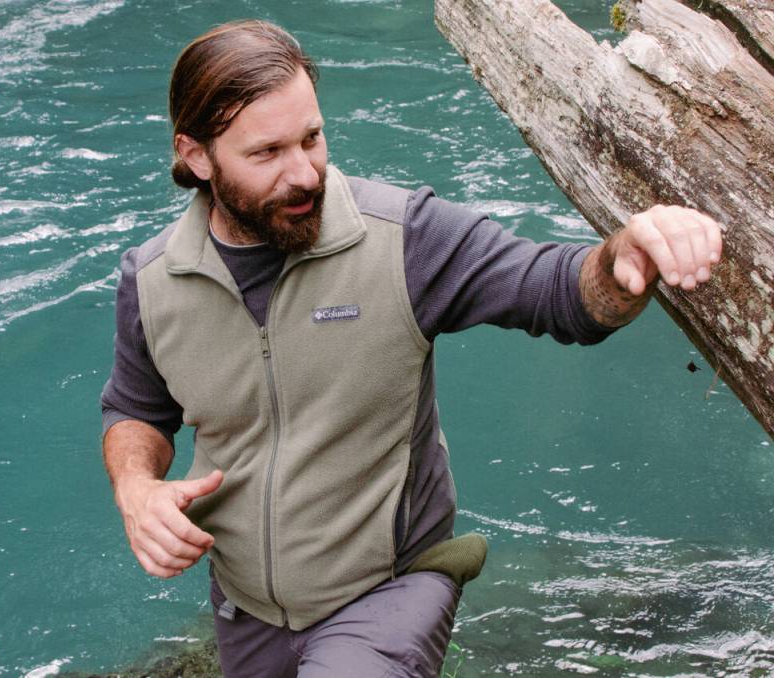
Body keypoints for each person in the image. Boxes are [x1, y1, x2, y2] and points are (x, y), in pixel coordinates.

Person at [100, 20, 722, 678]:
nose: (304, 172)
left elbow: (559, 292)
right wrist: (138, 490)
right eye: (267, 153)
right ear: (196, 156)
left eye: (312, 138)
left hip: (391, 590)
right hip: (246, 611)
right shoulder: (152, 281)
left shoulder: (404, 238)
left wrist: (626, 252)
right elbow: (135, 410)